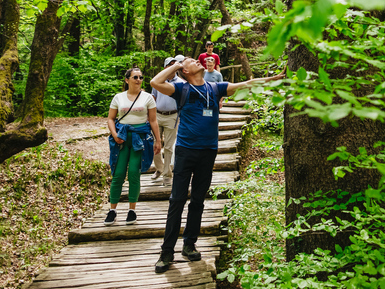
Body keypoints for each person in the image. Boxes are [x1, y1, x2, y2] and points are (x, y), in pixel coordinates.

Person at [151, 58, 284, 272]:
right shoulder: (180, 88)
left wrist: (275, 78)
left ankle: (189, 244)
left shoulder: (215, 87)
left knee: (198, 201)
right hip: (186, 151)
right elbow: (155, 83)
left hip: (208, 152)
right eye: (192, 61)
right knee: (177, 200)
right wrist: (177, 65)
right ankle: (167, 252)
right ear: (185, 70)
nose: (198, 60)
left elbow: (248, 85)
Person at [105, 67, 162, 226]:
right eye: (135, 77)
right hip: (122, 138)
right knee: (118, 174)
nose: (138, 79)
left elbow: (153, 120)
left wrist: (158, 140)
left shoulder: (148, 98)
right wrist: (115, 134)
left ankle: (132, 210)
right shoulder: (118, 97)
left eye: (141, 77)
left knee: (134, 174)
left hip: (140, 139)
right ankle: (112, 210)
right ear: (127, 80)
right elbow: (111, 118)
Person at [151, 56, 185, 187]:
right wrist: (150, 115)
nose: (172, 67)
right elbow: (153, 97)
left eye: (174, 65)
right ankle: (159, 169)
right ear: (165, 67)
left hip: (173, 116)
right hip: (157, 115)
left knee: (169, 147)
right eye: (169, 65)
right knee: (155, 144)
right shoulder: (158, 80)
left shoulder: (181, 83)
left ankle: (167, 175)